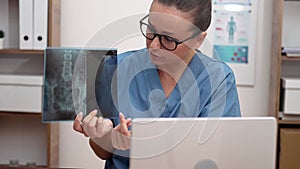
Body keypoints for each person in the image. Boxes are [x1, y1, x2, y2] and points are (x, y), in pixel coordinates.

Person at [73, 0, 241, 169]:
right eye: (150, 30)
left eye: (169, 39)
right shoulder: (117, 68)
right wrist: (106, 138)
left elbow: (219, 156)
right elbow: (103, 152)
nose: (153, 45)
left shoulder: (218, 79)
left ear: (198, 39)